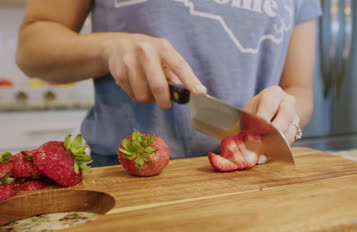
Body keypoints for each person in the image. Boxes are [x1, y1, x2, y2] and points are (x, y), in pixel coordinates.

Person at [16, 0, 321, 167]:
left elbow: (299, 90)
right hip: (122, 174)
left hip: (253, 175)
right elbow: (31, 49)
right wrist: (108, 47)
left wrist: (286, 114)